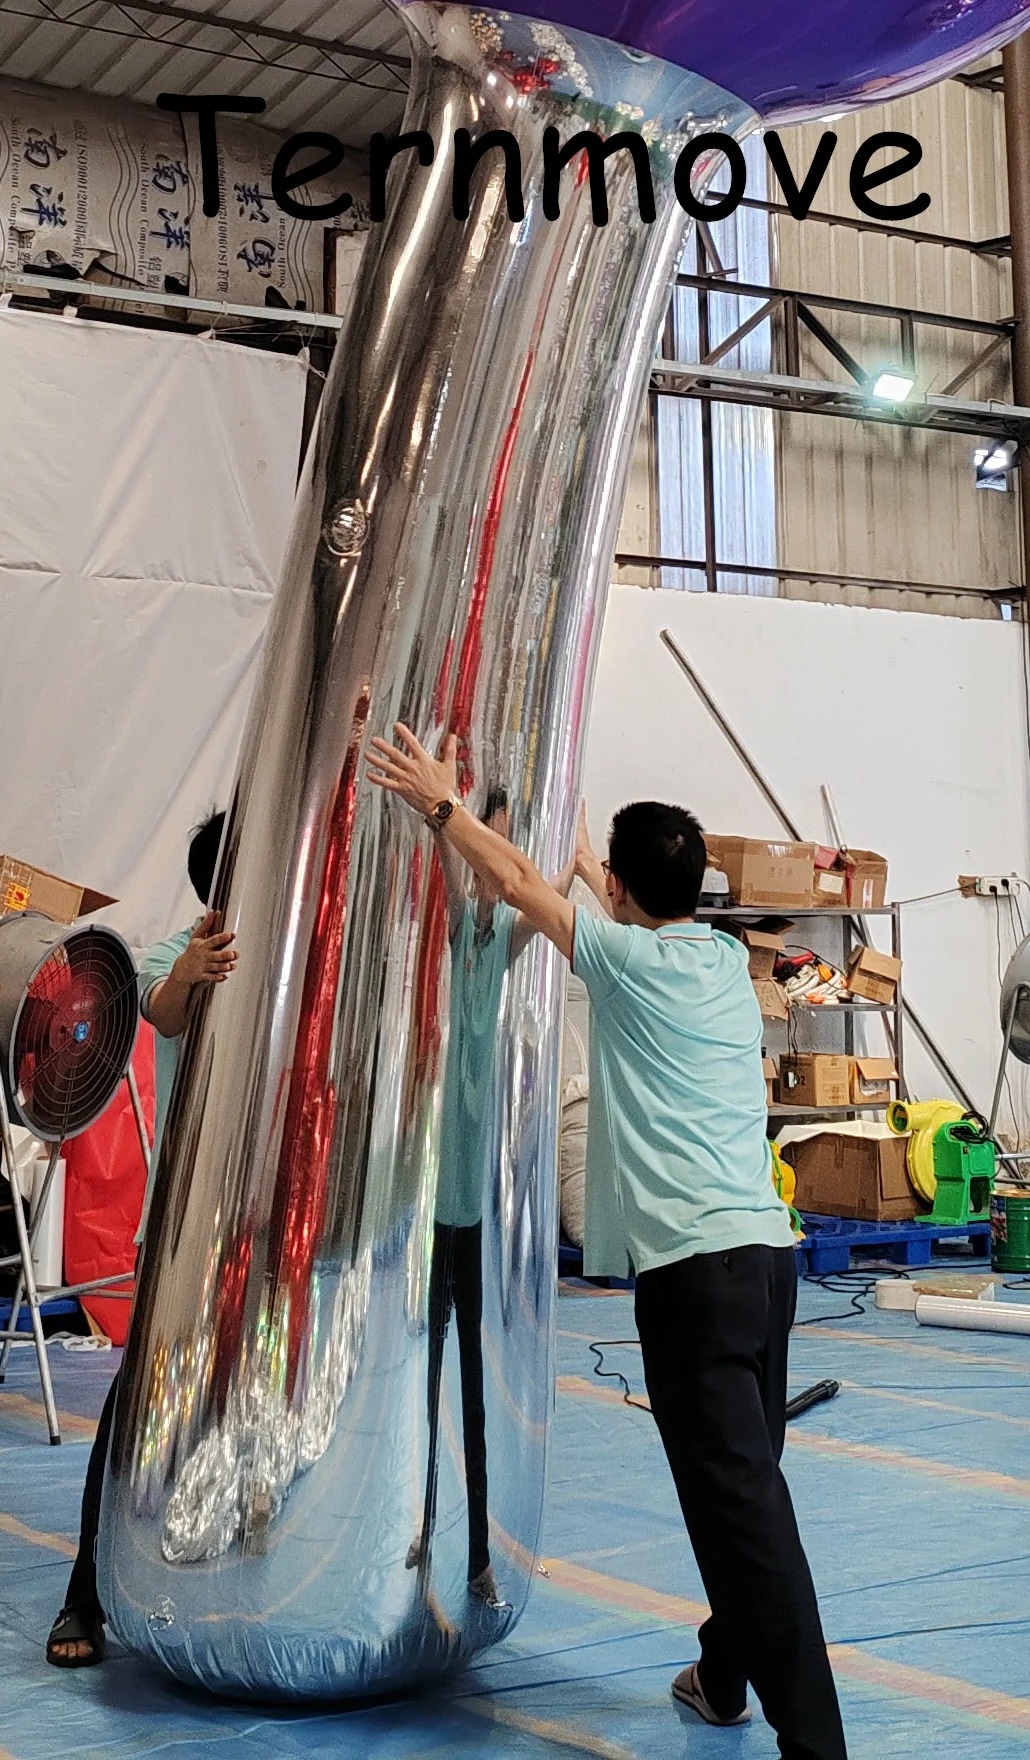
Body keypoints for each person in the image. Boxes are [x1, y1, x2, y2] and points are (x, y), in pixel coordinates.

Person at [362, 725, 845, 1760]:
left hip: (693, 1281)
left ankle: (817, 1744)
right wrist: (598, 867)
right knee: (742, 1485)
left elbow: (520, 886)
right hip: (770, 1267)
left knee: (747, 1518)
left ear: (621, 894)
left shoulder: (623, 961)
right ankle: (723, 1672)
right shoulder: (720, 957)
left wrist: (440, 804)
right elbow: (588, 894)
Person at [47, 809, 237, 1669]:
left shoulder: (310, 965)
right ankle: (83, 1596)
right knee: (139, 1408)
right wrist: (194, 973)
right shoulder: (179, 956)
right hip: (188, 1230)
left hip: (276, 1241)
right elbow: (162, 1009)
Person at [415, 790, 516, 1605]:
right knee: (419, 1377)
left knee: (472, 1389)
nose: (491, 868)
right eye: (487, 848)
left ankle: (477, 1550)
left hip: (472, 1207)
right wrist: (445, 805)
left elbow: (523, 887)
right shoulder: (447, 936)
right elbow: (454, 873)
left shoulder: (505, 939)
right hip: (422, 1206)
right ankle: (417, 1519)